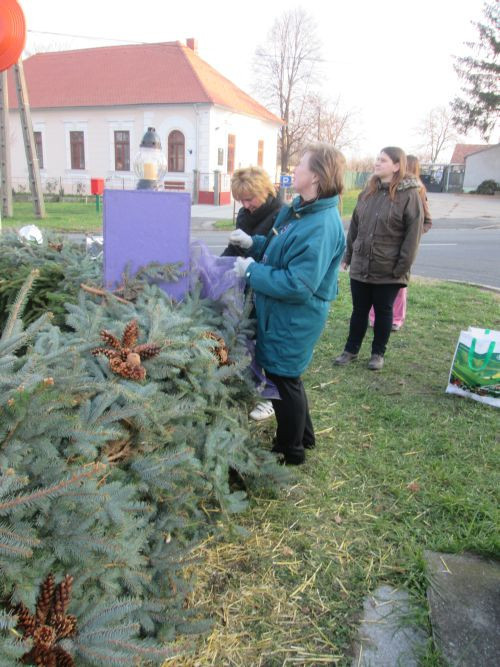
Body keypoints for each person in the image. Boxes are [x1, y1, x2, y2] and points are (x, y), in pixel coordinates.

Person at [230, 143, 346, 465]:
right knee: (287, 376)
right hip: (280, 313)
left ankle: (290, 450)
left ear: (317, 177)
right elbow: (281, 252)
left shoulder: (321, 225)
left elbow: (298, 284)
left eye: (301, 165)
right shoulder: (299, 211)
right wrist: (255, 244)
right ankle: (304, 436)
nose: (294, 170)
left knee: (283, 380)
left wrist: (251, 271)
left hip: (295, 316)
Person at [334, 146, 423, 371]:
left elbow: (413, 234)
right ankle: (350, 350)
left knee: (384, 312)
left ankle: (377, 354)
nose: (377, 163)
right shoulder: (368, 191)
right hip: (362, 264)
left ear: (396, 165)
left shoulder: (410, 195)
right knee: (359, 310)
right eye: (376, 159)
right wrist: (349, 255)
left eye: (382, 160)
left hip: (389, 269)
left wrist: (401, 267)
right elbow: (355, 226)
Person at [222, 166, 282, 421]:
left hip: (266, 286)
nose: (245, 205)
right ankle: (251, 381)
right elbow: (235, 249)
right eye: (241, 200)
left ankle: (270, 398)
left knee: (264, 341)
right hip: (245, 284)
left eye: (249, 199)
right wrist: (219, 263)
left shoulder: (280, 215)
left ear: (263, 190)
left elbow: (274, 256)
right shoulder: (245, 214)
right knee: (246, 334)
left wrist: (252, 249)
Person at [367, 154, 432, 331]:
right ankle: (373, 317)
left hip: (402, 249)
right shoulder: (386, 187)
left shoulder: (417, 190)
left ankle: (396, 318)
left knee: (398, 286)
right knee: (374, 283)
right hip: (382, 250)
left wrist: (411, 236)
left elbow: (425, 221)